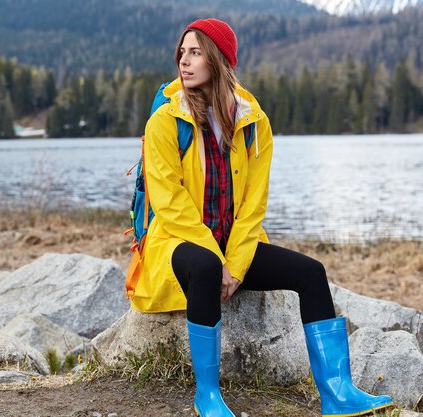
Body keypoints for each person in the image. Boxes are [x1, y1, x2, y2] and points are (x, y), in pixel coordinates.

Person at [129, 18, 394, 417]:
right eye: (182, 52)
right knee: (202, 266)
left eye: (195, 52)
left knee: (312, 272)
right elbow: (169, 204)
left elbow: (253, 204)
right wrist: (217, 262)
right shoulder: (165, 121)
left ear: (219, 60)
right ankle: (209, 397)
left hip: (234, 246)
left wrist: (235, 264)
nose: (184, 61)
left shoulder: (253, 123)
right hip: (177, 246)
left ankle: (338, 394)